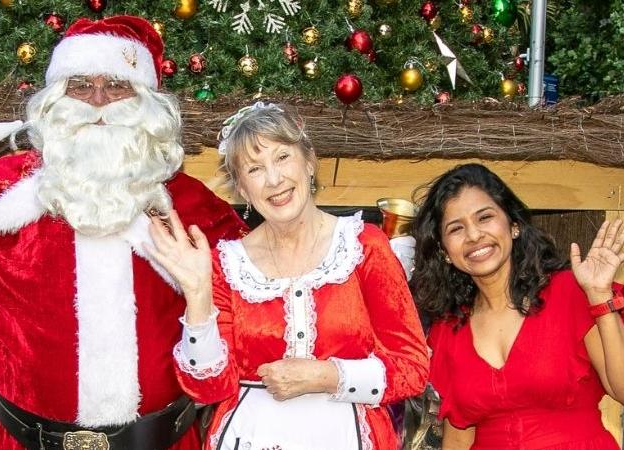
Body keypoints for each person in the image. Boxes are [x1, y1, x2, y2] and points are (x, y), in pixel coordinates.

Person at [0, 16, 246, 450]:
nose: (97, 101)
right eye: (80, 85)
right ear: (54, 99)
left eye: (117, 85)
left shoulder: (190, 204)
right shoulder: (1, 189)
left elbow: (249, 306)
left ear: (146, 102)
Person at [146, 102, 429, 449]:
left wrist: (327, 376)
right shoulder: (227, 264)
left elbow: (413, 368)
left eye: (282, 157)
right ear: (242, 190)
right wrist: (197, 294)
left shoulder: (363, 245)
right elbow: (209, 388)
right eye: (254, 169)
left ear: (309, 162)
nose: (274, 179)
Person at [409, 163, 624, 450]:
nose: (474, 236)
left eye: (485, 217)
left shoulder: (571, 293)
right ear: (444, 252)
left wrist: (599, 297)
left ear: (514, 226)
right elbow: (460, 435)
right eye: (456, 228)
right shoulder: (447, 330)